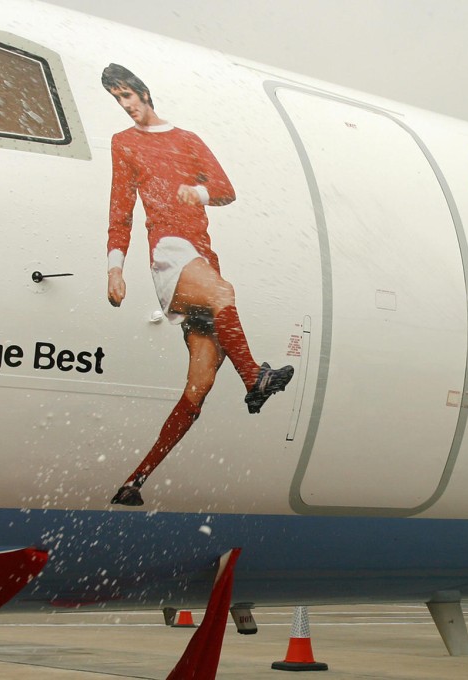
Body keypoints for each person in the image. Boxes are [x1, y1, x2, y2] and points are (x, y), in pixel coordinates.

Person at [102, 63, 293, 507]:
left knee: (198, 387)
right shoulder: (124, 144)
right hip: (170, 250)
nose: (126, 106)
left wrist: (199, 192)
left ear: (144, 92)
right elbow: (120, 208)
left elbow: (225, 189)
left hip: (202, 254)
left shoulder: (187, 141)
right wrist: (116, 266)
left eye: (128, 95)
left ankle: (134, 482)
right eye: (117, 99)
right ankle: (254, 378)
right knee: (223, 294)